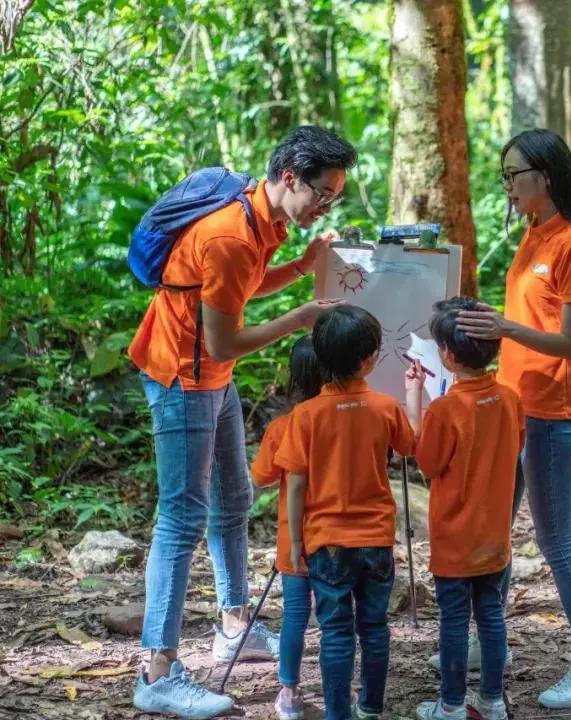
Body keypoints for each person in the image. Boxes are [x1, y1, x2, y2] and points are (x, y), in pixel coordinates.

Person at [130, 126, 355, 719]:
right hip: (182, 375)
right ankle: (156, 671)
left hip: (213, 376)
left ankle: (233, 622)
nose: (326, 205)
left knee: (233, 496)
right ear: (290, 178)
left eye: (334, 197)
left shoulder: (265, 221)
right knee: (181, 515)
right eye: (323, 194)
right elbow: (225, 336)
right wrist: (297, 320)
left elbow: (239, 291)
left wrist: (304, 266)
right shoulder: (230, 234)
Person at [455, 128, 571, 709]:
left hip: (550, 409)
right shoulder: (531, 233)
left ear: (545, 177)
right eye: (503, 176)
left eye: (514, 174)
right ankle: (490, 638)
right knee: (495, 528)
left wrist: (503, 328)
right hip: (511, 403)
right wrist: (487, 323)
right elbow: (527, 315)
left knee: (556, 540)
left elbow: (568, 343)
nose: (507, 185)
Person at [275, 304, 416, 720]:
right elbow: (411, 447)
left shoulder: (304, 416)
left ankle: (339, 713)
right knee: (374, 628)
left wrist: (297, 543)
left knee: (336, 633)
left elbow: (296, 484)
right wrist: (413, 394)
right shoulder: (385, 407)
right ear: (370, 358)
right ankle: (370, 707)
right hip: (374, 537)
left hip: (326, 542)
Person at [408, 298, 524, 720]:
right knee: (491, 615)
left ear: (448, 356)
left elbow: (427, 463)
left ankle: (452, 705)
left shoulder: (445, 409)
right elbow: (516, 447)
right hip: (494, 536)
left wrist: (415, 399)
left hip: (454, 540)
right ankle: (492, 701)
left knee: (454, 621)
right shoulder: (510, 399)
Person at [249, 335, 323, 720]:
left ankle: (289, 691)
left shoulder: (282, 427)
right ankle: (340, 688)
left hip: (292, 541)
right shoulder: (340, 418)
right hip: (336, 539)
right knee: (335, 615)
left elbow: (260, 477)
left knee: (295, 614)